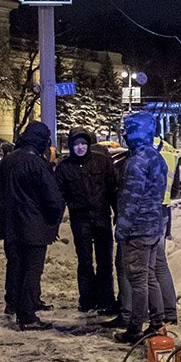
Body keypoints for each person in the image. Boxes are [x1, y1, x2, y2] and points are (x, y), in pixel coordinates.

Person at [0, 122, 64, 330]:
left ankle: (15, 304)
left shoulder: (8, 161)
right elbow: (53, 199)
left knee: (16, 267)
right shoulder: (38, 164)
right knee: (32, 271)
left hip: (11, 225)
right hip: (34, 227)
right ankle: (27, 314)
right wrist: (51, 220)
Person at [114, 112, 169, 343]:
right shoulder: (157, 157)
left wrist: (121, 229)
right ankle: (157, 322)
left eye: (128, 131)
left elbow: (130, 199)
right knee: (149, 276)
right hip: (154, 225)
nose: (125, 135)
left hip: (138, 229)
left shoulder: (136, 162)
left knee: (137, 279)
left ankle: (135, 327)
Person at [55, 129, 118, 313]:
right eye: (76, 144)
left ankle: (106, 299)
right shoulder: (64, 167)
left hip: (102, 218)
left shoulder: (102, 161)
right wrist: (55, 223)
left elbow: (113, 188)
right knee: (85, 262)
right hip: (80, 220)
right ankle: (87, 300)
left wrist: (118, 212)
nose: (80, 147)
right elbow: (60, 198)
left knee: (105, 260)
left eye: (83, 143)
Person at [154, 133, 180, 325]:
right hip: (164, 209)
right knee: (159, 261)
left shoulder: (143, 147)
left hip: (149, 210)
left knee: (151, 264)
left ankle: (161, 312)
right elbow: (175, 189)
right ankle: (169, 309)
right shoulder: (171, 150)